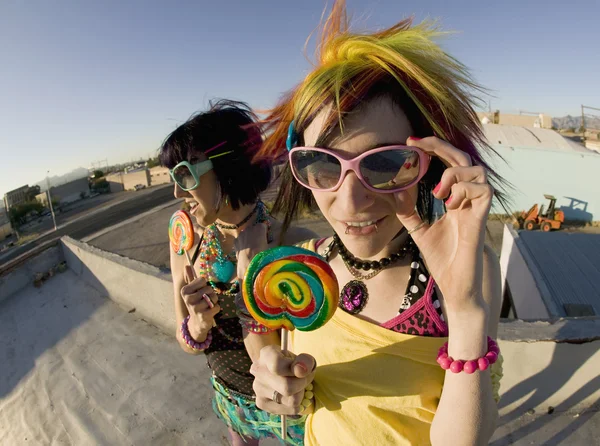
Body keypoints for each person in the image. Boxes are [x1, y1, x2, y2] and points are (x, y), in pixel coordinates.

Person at [246, 3, 505, 445]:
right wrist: (272, 372)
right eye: (322, 165)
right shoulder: (304, 267)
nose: (351, 200)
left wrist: (464, 312)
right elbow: (268, 336)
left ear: (429, 163)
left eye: (384, 163)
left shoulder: (463, 277)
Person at [159, 99, 314, 445]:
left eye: (184, 174)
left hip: (291, 414)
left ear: (227, 167)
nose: (176, 192)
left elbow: (278, 365)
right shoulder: (185, 242)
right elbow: (186, 342)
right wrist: (197, 326)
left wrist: (252, 281)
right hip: (230, 402)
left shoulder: (294, 246)